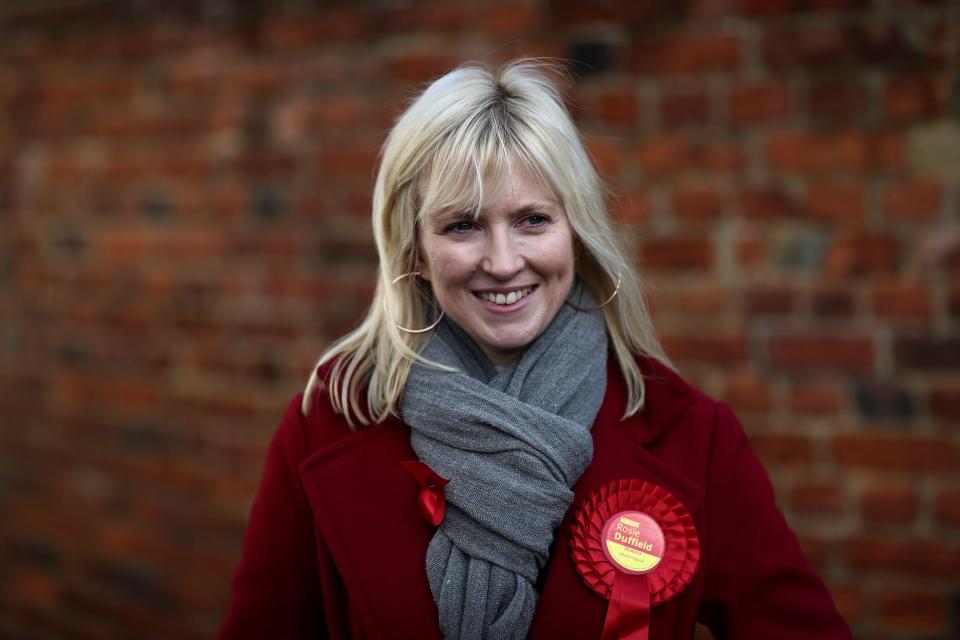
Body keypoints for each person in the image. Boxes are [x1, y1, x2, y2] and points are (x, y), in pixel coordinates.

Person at [219, 60, 852, 640]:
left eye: (532, 220)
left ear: (576, 232)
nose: (502, 262)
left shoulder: (693, 437)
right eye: (463, 225)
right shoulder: (329, 421)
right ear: (414, 248)